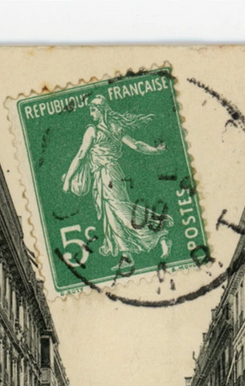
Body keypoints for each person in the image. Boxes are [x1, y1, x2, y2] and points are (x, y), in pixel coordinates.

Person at [61, 94, 173, 271]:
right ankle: (126, 255)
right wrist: (156, 151)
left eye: (93, 110)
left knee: (121, 212)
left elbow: (81, 155)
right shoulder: (114, 127)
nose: (91, 114)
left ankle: (160, 235)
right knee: (110, 215)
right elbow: (136, 145)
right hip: (105, 175)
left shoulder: (94, 131)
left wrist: (68, 179)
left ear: (101, 110)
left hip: (108, 174)